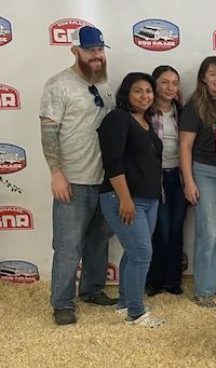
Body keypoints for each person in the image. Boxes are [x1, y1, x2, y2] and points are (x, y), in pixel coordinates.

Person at [39, 26, 116, 326]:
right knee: (69, 245)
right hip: (73, 178)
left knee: (99, 239)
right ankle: (61, 303)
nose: (96, 55)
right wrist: (56, 173)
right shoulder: (59, 84)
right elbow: (48, 132)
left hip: (104, 179)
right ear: (75, 51)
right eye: (90, 50)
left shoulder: (106, 86)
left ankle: (92, 289)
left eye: (99, 49)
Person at [98, 72, 164, 328]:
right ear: (126, 93)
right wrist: (125, 199)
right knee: (141, 254)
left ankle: (125, 302)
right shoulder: (118, 119)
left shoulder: (146, 122)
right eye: (138, 90)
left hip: (149, 200)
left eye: (148, 91)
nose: (145, 96)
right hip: (123, 198)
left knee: (134, 252)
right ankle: (136, 314)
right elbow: (112, 161)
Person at [179, 56, 216, 307]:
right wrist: (189, 181)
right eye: (212, 74)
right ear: (203, 78)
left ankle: (214, 282)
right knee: (209, 232)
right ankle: (203, 291)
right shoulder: (194, 106)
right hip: (205, 173)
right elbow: (184, 146)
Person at [145, 65, 186, 296]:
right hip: (154, 178)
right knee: (159, 229)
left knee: (176, 229)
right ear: (155, 84)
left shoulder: (182, 112)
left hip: (178, 176)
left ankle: (173, 281)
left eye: (174, 82)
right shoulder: (146, 113)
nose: (170, 87)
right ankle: (154, 280)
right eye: (165, 82)